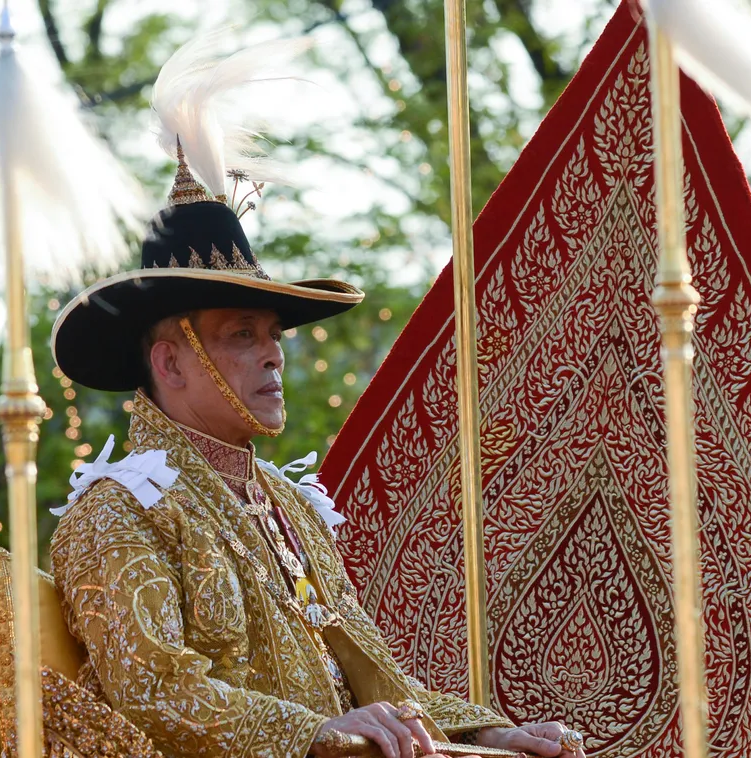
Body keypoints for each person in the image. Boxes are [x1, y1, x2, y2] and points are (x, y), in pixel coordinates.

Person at [48, 140, 590, 758]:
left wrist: (483, 732)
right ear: (170, 361)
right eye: (242, 335)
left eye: (274, 335)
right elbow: (154, 691)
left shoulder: (287, 501)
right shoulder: (116, 511)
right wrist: (311, 733)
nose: (274, 354)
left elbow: (367, 673)